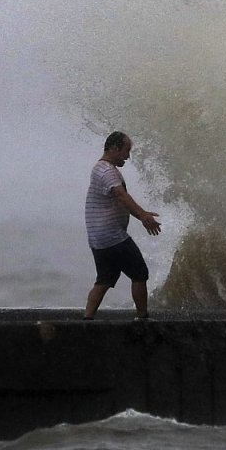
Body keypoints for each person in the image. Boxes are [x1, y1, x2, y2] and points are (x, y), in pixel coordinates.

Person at [83, 131, 161, 320]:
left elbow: (119, 200)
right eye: (126, 150)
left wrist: (141, 216)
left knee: (104, 280)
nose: (128, 156)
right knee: (140, 273)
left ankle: (86, 320)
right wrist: (142, 215)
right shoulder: (107, 171)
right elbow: (121, 196)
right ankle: (142, 319)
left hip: (99, 239)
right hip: (112, 237)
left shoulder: (100, 169)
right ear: (114, 148)